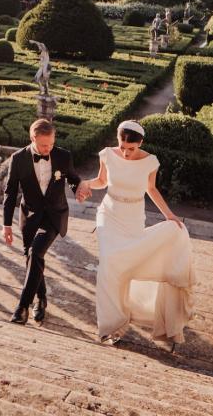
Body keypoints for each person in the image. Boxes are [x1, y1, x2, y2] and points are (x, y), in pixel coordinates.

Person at [79, 120, 194, 349]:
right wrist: (85, 183)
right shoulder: (108, 155)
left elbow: (151, 189)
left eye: (130, 148)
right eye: (122, 146)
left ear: (140, 143)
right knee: (109, 265)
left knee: (125, 267)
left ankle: (126, 314)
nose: (125, 152)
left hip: (132, 219)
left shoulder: (150, 162)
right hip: (108, 215)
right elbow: (102, 181)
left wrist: (170, 215)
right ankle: (110, 326)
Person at [2, 119, 82, 325]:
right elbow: (10, 193)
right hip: (29, 215)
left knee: (36, 252)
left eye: (51, 144)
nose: (48, 149)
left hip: (54, 215)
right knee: (32, 259)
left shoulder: (63, 156)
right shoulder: (18, 159)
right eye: (43, 145)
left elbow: (73, 178)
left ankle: (22, 306)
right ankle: (42, 299)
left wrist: (79, 189)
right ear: (32, 139)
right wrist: (7, 225)